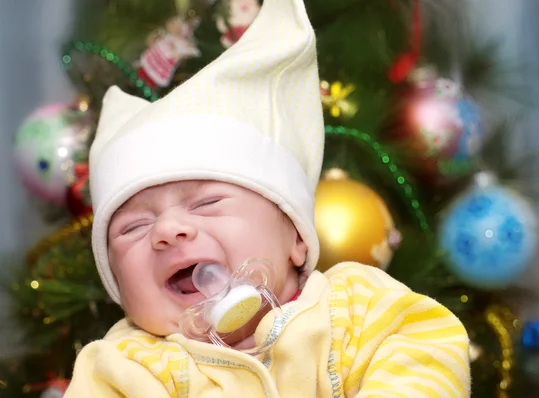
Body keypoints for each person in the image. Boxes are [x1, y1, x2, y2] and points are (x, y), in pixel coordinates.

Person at [64, 0, 471, 396]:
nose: (168, 230)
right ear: (117, 283)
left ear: (295, 236)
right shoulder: (122, 367)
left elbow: (427, 348)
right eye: (133, 227)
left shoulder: (354, 307)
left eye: (206, 203)